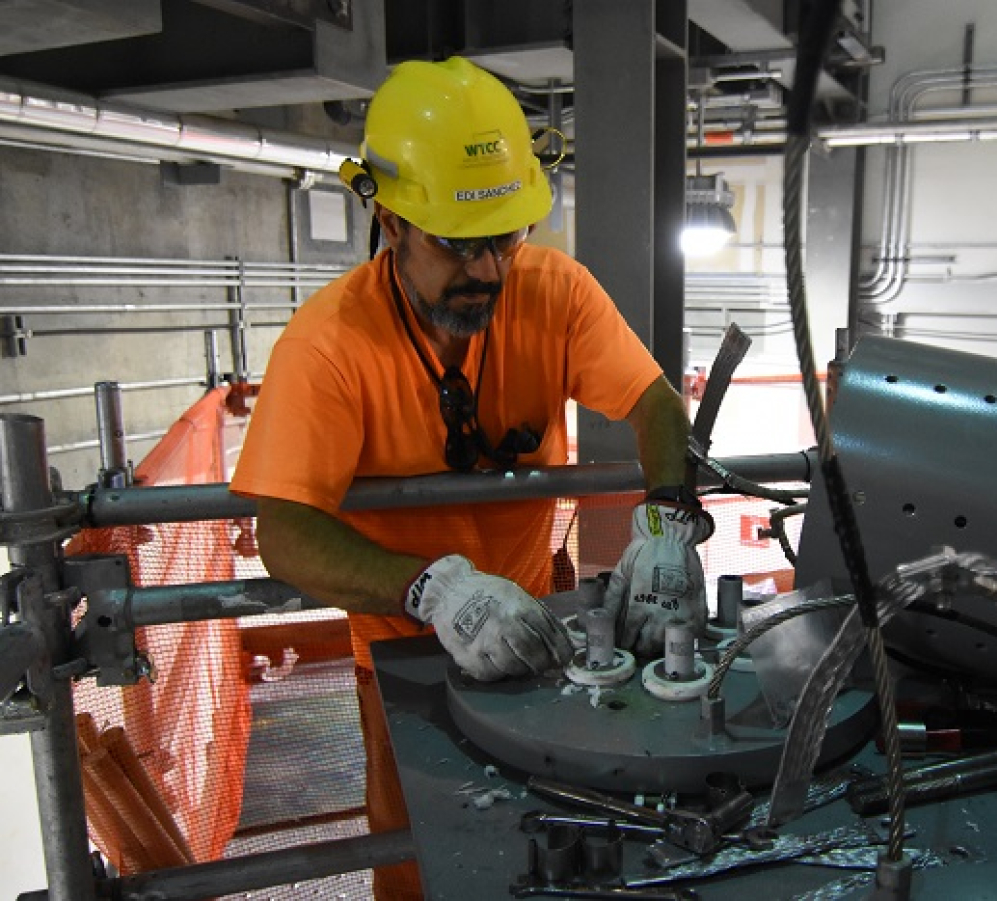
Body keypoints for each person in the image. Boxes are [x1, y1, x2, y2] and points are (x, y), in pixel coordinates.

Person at [229, 57, 713, 899]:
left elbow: (655, 405)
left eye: (506, 237)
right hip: (405, 651)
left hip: (545, 619)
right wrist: (434, 590)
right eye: (460, 244)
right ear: (389, 221)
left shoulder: (550, 291)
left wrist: (668, 521)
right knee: (425, 863)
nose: (489, 270)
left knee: (558, 847)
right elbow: (285, 533)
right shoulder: (327, 347)